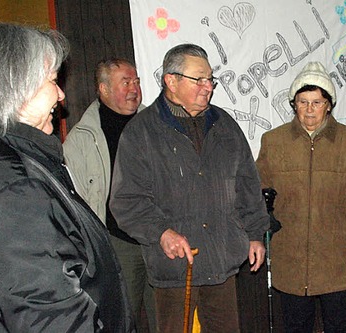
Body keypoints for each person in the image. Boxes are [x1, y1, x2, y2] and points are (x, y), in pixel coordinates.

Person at [109, 43, 270, 333]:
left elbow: (247, 185)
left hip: (222, 261)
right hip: (175, 267)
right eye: (200, 79)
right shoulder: (141, 132)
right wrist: (161, 232)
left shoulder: (225, 126)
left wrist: (255, 234)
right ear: (171, 80)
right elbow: (126, 200)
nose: (208, 87)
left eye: (211, 80)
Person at [0, 23, 133, 332]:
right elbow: (49, 315)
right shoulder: (16, 184)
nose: (61, 93)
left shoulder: (11, 162)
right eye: (52, 80)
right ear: (17, 87)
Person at [256, 61, 346, 333]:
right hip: (291, 261)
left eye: (317, 102)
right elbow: (257, 194)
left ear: (329, 104)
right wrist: (263, 220)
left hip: (337, 261)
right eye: (303, 102)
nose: (310, 109)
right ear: (294, 104)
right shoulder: (273, 142)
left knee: (340, 327)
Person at [63, 58, 156, 332]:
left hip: (160, 237)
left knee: (169, 317)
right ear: (103, 89)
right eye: (125, 82)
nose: (134, 88)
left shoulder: (157, 126)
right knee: (121, 320)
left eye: (137, 81)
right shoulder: (81, 139)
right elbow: (75, 200)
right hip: (117, 244)